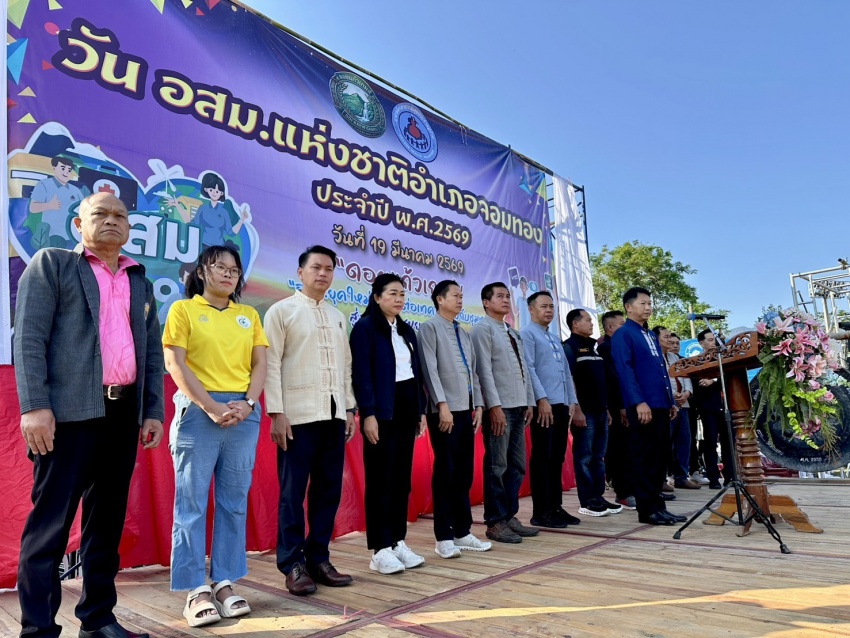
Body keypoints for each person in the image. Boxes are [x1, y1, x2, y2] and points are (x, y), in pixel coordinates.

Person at [14, 192, 164, 638]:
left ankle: (98, 620)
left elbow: (151, 353)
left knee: (106, 526)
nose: (112, 221)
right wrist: (35, 406)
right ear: (79, 224)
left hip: (122, 415)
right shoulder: (53, 264)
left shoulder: (140, 281)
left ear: (129, 227)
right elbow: (29, 339)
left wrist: (152, 410)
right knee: (50, 528)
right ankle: (38, 630)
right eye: (100, 214)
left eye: (120, 215)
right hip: (67, 416)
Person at [163, 246, 268, 626]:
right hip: (198, 412)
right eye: (219, 267)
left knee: (233, 502)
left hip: (243, 415)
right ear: (202, 272)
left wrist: (249, 403)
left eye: (233, 270)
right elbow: (174, 362)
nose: (227, 274)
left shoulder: (249, 315)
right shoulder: (183, 310)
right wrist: (209, 406)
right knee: (191, 504)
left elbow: (260, 363)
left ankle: (224, 581)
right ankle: (195, 589)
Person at [264, 245, 356, 595]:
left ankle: (318, 558)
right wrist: (277, 412)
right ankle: (292, 564)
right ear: (300, 272)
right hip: (296, 417)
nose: (323, 274)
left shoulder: (337, 315)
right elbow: (271, 364)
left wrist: (349, 409)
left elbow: (345, 367)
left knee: (328, 491)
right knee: (292, 494)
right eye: (316, 267)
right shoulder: (281, 311)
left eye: (329, 268)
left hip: (332, 415)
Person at [349, 273, 428, 574]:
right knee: (381, 480)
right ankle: (380, 549)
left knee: (400, 480)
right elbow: (361, 374)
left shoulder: (406, 330)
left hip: (406, 410)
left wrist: (420, 411)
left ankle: (397, 541)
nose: (399, 299)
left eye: (402, 294)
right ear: (377, 297)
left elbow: (416, 374)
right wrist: (368, 414)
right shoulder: (365, 328)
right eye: (392, 293)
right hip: (381, 413)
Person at [419, 280, 492, 558]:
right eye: (455, 296)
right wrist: (442, 405)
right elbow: (430, 370)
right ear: (440, 299)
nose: (460, 300)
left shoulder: (463, 331)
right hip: (444, 412)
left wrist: (479, 405)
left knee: (463, 473)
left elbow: (474, 372)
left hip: (466, 410)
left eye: (462, 296)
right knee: (446, 473)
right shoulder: (429, 328)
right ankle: (443, 537)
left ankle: (462, 531)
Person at [611, 287, 685, 526]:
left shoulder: (650, 335)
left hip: (661, 404)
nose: (648, 307)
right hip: (643, 405)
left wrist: (670, 401)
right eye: (643, 303)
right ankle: (647, 510)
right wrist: (638, 401)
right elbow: (625, 371)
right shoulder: (624, 334)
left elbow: (661, 371)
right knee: (645, 458)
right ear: (628, 307)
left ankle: (658, 507)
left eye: (650, 303)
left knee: (660, 457)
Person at [471, 282, 538, 543]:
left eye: (508, 296)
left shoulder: (512, 332)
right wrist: (494, 407)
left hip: (519, 406)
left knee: (517, 465)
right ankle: (495, 521)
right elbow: (483, 371)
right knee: (497, 466)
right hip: (500, 408)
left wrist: (529, 401)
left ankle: (509, 516)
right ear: (486, 302)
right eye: (499, 296)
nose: (506, 300)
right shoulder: (482, 329)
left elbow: (525, 370)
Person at [521, 291, 582, 528]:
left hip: (561, 404)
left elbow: (565, 371)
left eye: (551, 307)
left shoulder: (554, 337)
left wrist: (572, 401)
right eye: (543, 306)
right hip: (544, 406)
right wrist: (541, 399)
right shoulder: (527, 334)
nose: (549, 310)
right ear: (531, 309)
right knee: (542, 457)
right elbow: (529, 368)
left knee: (557, 457)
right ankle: (541, 511)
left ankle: (556, 507)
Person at [564, 309, 622, 517]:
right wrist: (577, 409)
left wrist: (606, 409)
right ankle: (587, 501)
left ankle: (599, 497)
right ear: (575, 324)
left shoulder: (594, 348)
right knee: (584, 457)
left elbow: (600, 382)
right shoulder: (569, 347)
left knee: (598, 457)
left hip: (600, 411)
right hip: (585, 411)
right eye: (588, 320)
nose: (591, 324)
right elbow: (570, 379)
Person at [653, 327, 700, 491]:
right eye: (666, 337)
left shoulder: (675, 357)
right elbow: (659, 380)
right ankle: (662, 478)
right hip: (666, 404)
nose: (669, 340)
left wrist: (687, 393)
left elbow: (685, 376)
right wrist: (673, 395)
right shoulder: (653, 356)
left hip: (683, 404)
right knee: (665, 442)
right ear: (656, 339)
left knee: (684, 441)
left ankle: (682, 476)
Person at [597, 310, 636, 510]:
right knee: (619, 449)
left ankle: (635, 488)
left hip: (630, 403)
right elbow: (614, 379)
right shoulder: (606, 348)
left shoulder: (623, 346)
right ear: (610, 327)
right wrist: (620, 406)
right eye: (621, 324)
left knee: (632, 448)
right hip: (616, 406)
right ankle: (623, 492)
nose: (625, 327)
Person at [691, 328, 733, 489]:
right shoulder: (698, 361)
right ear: (701, 343)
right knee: (710, 444)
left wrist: (713, 380)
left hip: (728, 407)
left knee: (729, 444)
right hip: (708, 408)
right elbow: (697, 384)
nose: (713, 342)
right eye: (709, 340)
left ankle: (730, 477)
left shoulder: (726, 358)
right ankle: (713, 478)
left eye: (715, 339)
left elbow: (729, 378)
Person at [28, 155, 84, 248]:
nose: (66, 172)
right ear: (54, 168)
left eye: (69, 170)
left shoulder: (76, 190)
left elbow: (84, 211)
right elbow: (32, 208)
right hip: (52, 237)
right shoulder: (44, 184)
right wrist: (49, 205)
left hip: (73, 238)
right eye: (63, 168)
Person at [191, 173, 248, 250]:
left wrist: (241, 220)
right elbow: (194, 224)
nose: (214, 193)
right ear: (206, 190)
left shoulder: (224, 212)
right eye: (211, 190)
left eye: (217, 191)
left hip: (219, 248)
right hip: (204, 245)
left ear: (221, 193)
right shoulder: (203, 208)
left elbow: (231, 232)